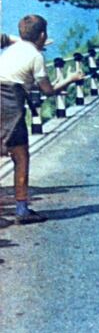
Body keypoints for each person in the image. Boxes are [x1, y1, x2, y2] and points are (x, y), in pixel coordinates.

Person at [0, 15, 84, 224]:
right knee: (20, 156)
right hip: (10, 105)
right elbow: (48, 91)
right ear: (43, 35)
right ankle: (21, 209)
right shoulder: (36, 56)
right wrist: (70, 79)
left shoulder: (12, 50)